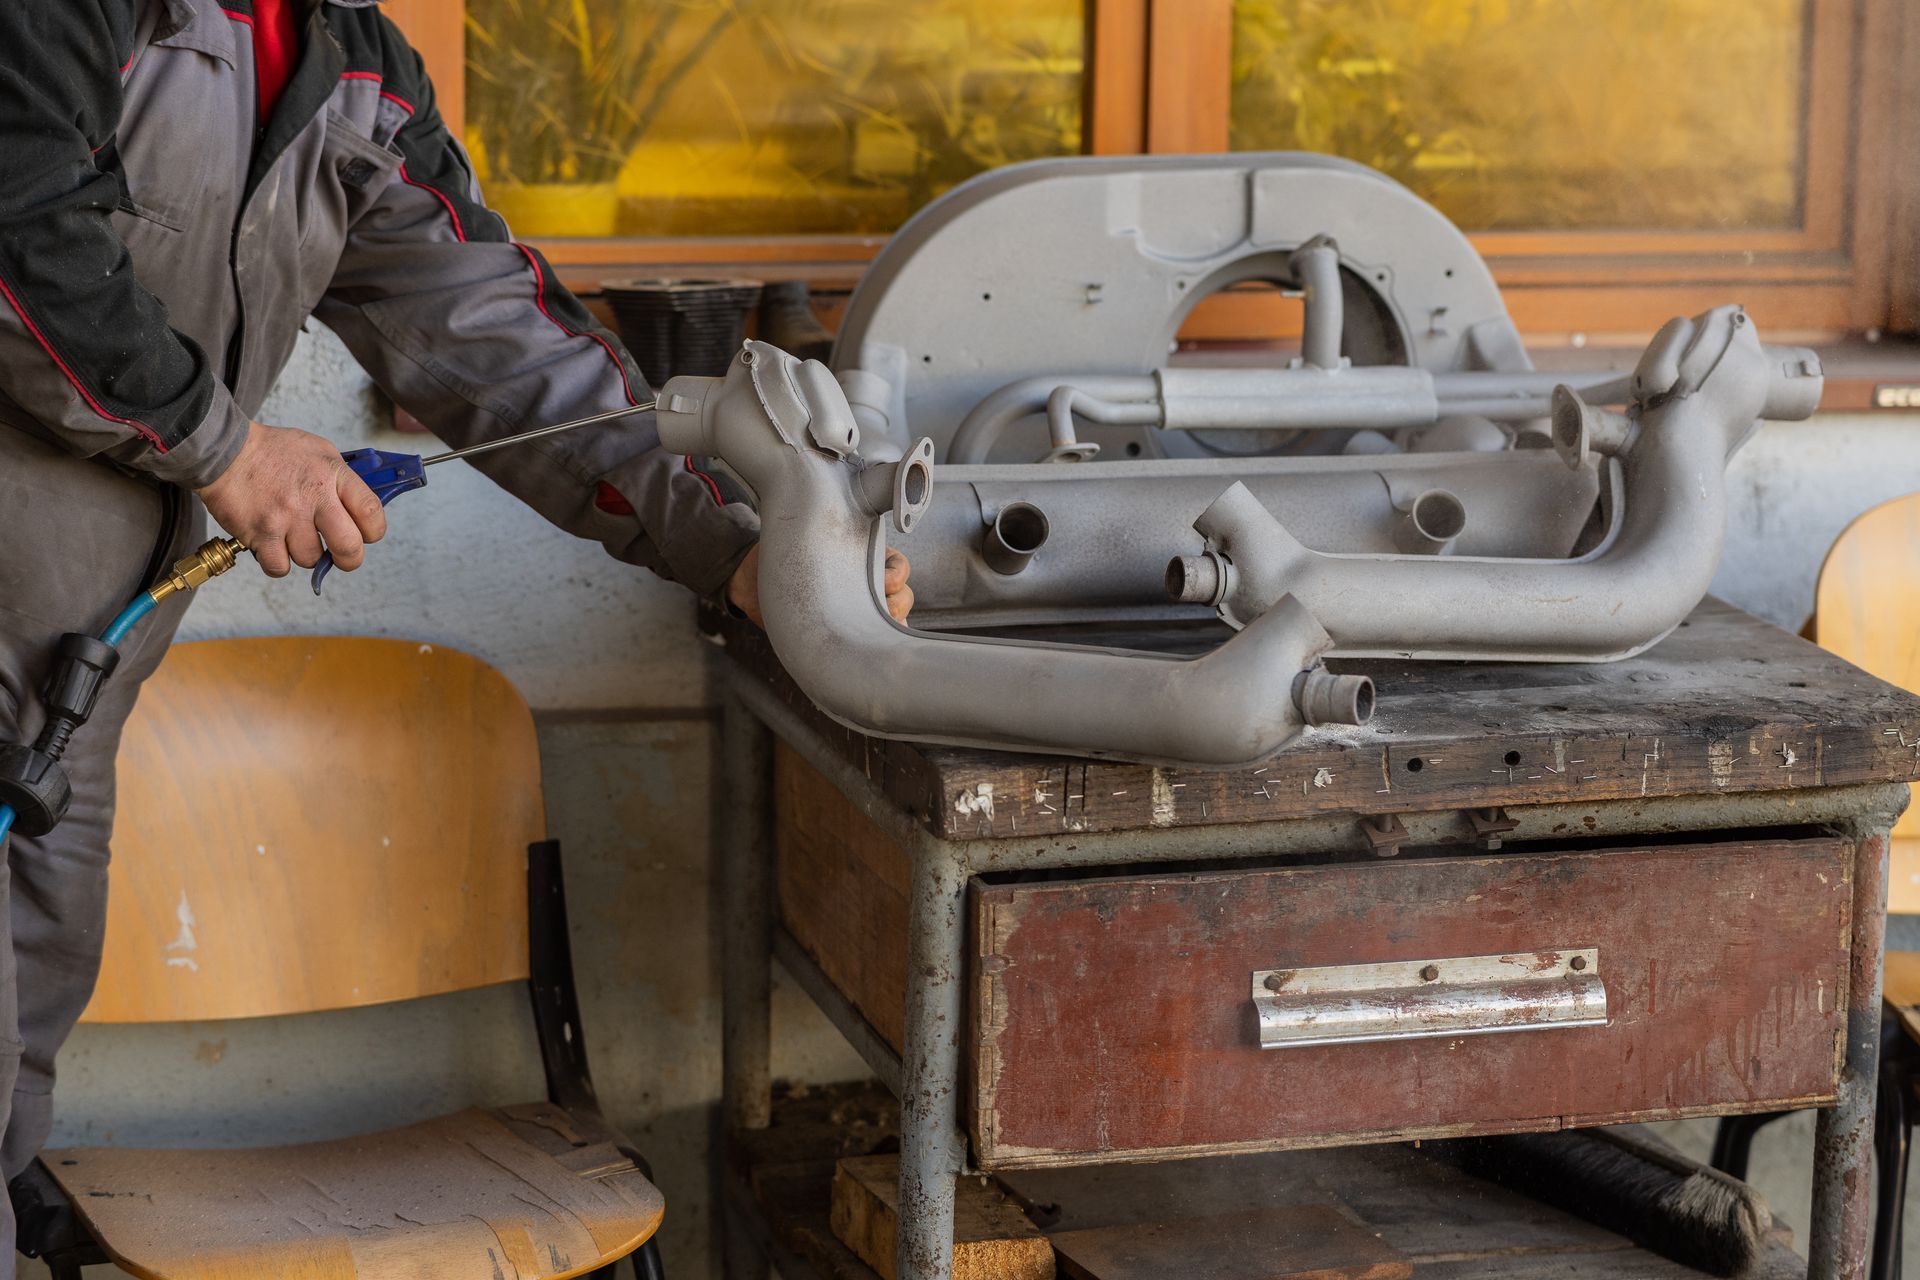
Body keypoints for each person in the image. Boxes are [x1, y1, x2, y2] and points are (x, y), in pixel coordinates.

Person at [0, 1, 910, 1268]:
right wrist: (230, 450)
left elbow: (500, 335)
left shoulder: (351, 69)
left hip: (60, 710)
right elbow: (19, 236)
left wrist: (746, 550)